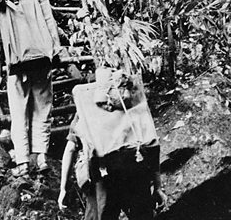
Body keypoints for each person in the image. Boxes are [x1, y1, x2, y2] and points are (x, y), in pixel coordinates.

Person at [58, 68, 167, 219]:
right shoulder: (134, 108)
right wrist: (158, 187)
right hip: (135, 172)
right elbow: (152, 146)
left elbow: (70, 150)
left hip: (103, 177)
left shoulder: (87, 113)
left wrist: (63, 188)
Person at [0, 0, 61, 177]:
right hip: (42, 61)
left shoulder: (2, 4)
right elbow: (50, 25)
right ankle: (41, 157)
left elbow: (0, 42)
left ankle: (23, 163)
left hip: (16, 65)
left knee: (19, 114)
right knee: (42, 110)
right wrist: (55, 54)